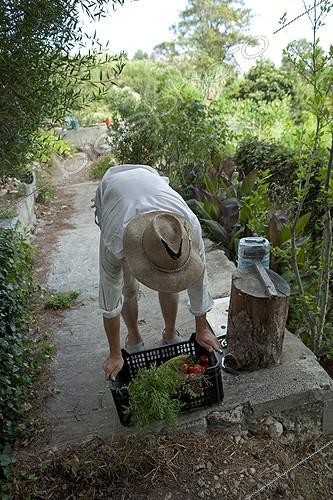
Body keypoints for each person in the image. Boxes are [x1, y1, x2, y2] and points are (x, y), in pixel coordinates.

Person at [94, 164, 221, 381]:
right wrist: (115, 353)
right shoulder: (115, 240)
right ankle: (134, 337)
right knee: (127, 287)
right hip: (113, 192)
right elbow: (110, 301)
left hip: (149, 178)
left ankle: (170, 333)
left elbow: (199, 278)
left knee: (171, 277)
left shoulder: (188, 227)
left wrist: (202, 329)